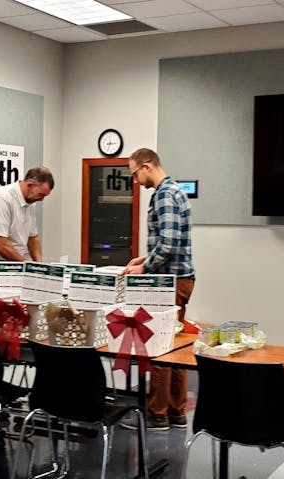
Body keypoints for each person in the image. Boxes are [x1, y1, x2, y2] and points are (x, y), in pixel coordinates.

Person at [119, 148, 195, 431]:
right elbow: (167, 242)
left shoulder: (164, 194)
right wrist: (143, 258)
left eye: (135, 174)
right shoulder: (174, 191)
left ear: (147, 166)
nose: (135, 181)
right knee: (174, 346)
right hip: (178, 278)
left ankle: (157, 414)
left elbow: (169, 245)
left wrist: (145, 268)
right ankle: (176, 411)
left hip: (169, 282)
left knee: (160, 348)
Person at [0, 167, 54, 315]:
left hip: (11, 265)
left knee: (12, 317)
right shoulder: (2, 197)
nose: (41, 199)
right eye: (41, 194)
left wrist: (39, 266)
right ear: (30, 184)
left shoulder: (30, 202)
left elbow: (32, 238)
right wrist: (28, 266)